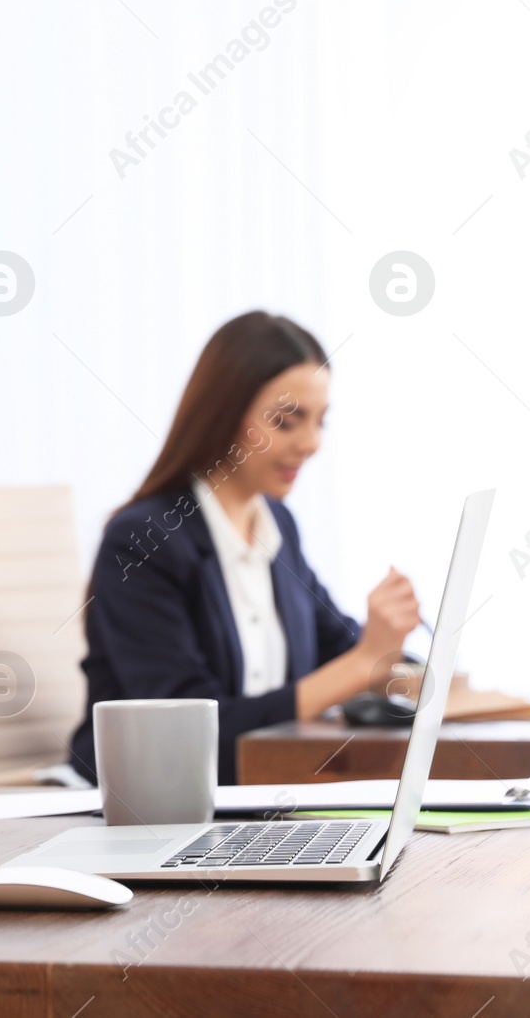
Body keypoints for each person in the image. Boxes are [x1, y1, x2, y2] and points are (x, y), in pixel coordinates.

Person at [68, 311, 421, 785]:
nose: (311, 443)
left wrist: (388, 653)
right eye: (286, 421)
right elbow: (190, 738)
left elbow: (335, 645)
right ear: (224, 412)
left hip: (264, 798)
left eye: (320, 422)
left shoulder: (276, 526)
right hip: (157, 804)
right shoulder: (143, 540)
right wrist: (363, 665)